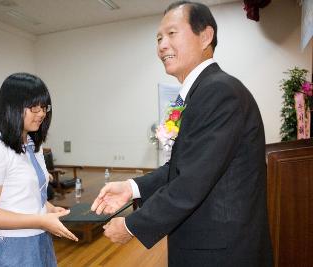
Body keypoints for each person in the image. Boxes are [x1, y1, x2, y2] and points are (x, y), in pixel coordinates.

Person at [91, 1, 273, 266]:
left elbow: (192, 181)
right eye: (158, 38)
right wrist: (132, 188)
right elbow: (182, 167)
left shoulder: (218, 92)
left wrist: (132, 226)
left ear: (205, 36)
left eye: (172, 33)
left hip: (221, 253)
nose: (162, 45)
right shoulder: (201, 92)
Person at [0, 73, 78, 267]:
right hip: (14, 246)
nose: (41, 114)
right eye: (34, 108)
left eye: (44, 107)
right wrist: (40, 221)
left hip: (40, 237)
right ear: (11, 108)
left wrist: (49, 209)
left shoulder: (32, 145)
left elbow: (28, 195)